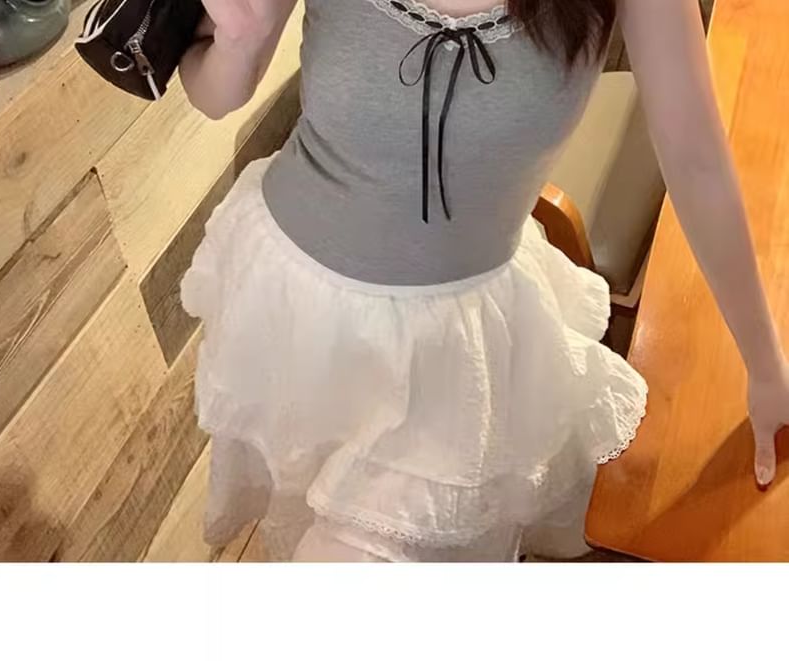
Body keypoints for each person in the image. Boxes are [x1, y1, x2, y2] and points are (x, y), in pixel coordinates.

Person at [177, 0, 788, 562]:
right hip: (294, 306)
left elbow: (697, 162)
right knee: (305, 495)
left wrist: (765, 369)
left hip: (456, 349)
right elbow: (214, 93)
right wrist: (239, 41)